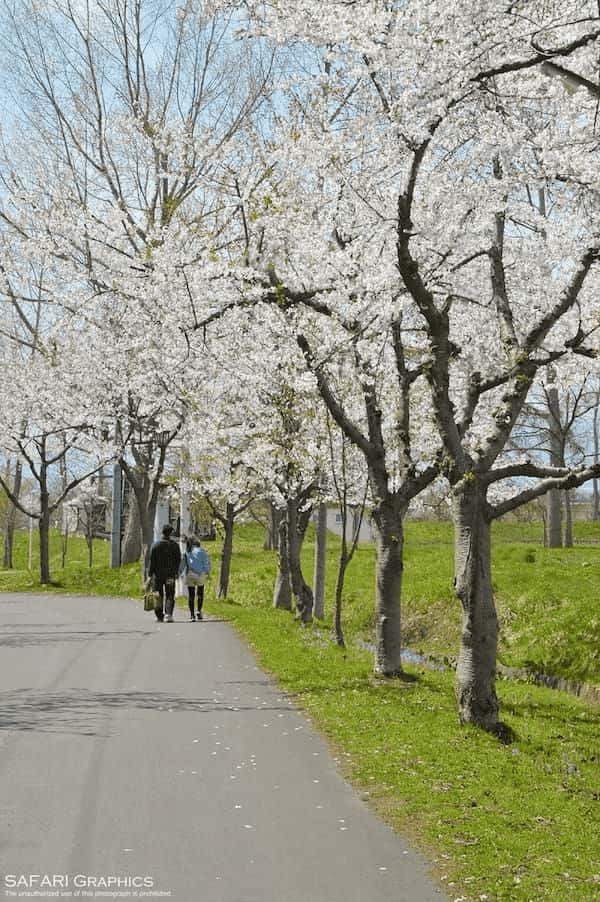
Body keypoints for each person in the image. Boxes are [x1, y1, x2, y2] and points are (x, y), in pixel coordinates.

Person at [148, 524, 181, 622]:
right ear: (170, 533)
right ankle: (168, 614)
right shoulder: (175, 546)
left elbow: (152, 561)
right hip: (170, 575)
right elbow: (178, 560)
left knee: (158, 594)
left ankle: (159, 616)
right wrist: (176, 572)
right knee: (170, 594)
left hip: (157, 576)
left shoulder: (156, 545)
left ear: (162, 532)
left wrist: (150, 575)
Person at [179, 534, 210, 621]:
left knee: (191, 595)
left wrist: (179, 573)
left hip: (190, 574)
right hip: (200, 574)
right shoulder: (202, 551)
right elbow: (206, 563)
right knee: (200, 593)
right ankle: (199, 611)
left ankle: (192, 615)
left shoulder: (187, 552)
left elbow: (183, 564)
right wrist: (207, 572)